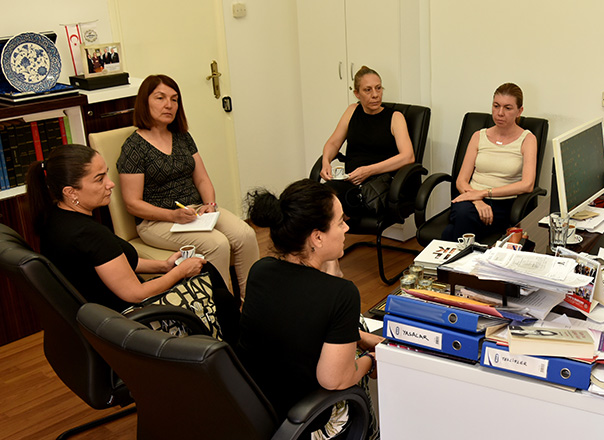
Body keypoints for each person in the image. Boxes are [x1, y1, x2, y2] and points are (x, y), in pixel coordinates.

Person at [238, 179, 383, 440]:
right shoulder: (341, 294)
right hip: (307, 422)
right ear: (317, 237)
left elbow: (299, 324)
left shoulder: (260, 270)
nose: (347, 227)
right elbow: (334, 380)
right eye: (340, 222)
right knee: (356, 375)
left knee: (358, 327)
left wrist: (360, 338)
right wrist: (371, 360)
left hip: (253, 408)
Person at [116, 74, 259, 300]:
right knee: (218, 244)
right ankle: (222, 311)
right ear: (144, 102)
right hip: (156, 222)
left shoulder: (182, 137)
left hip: (195, 212)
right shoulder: (134, 147)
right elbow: (133, 204)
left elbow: (202, 179)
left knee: (246, 234)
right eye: (160, 98)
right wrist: (172, 215)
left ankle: (251, 304)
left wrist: (210, 204)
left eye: (174, 99)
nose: (169, 105)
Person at [26, 144, 211, 311]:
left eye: (106, 174)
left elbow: (112, 264)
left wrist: (164, 266)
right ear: (70, 192)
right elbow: (136, 294)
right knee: (215, 286)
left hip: (98, 317)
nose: (110, 183)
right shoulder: (89, 234)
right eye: (99, 179)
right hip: (129, 321)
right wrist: (180, 272)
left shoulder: (54, 218)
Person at [441, 83, 538, 242]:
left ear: (519, 111)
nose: (500, 113)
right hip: (471, 199)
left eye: (508, 108)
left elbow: (527, 185)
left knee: (451, 230)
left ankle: (459, 254)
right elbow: (461, 181)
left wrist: (484, 193)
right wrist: (477, 200)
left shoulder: (527, 139)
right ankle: (472, 254)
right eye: (496, 106)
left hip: (503, 204)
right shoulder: (478, 136)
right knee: (463, 214)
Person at [319, 66, 414, 218]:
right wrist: (325, 162)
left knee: (332, 204)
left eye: (378, 88)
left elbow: (408, 157)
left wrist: (369, 170)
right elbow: (333, 143)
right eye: (368, 90)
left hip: (377, 185)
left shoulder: (395, 117)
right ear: (357, 94)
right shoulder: (352, 111)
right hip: (350, 180)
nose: (375, 95)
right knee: (316, 197)